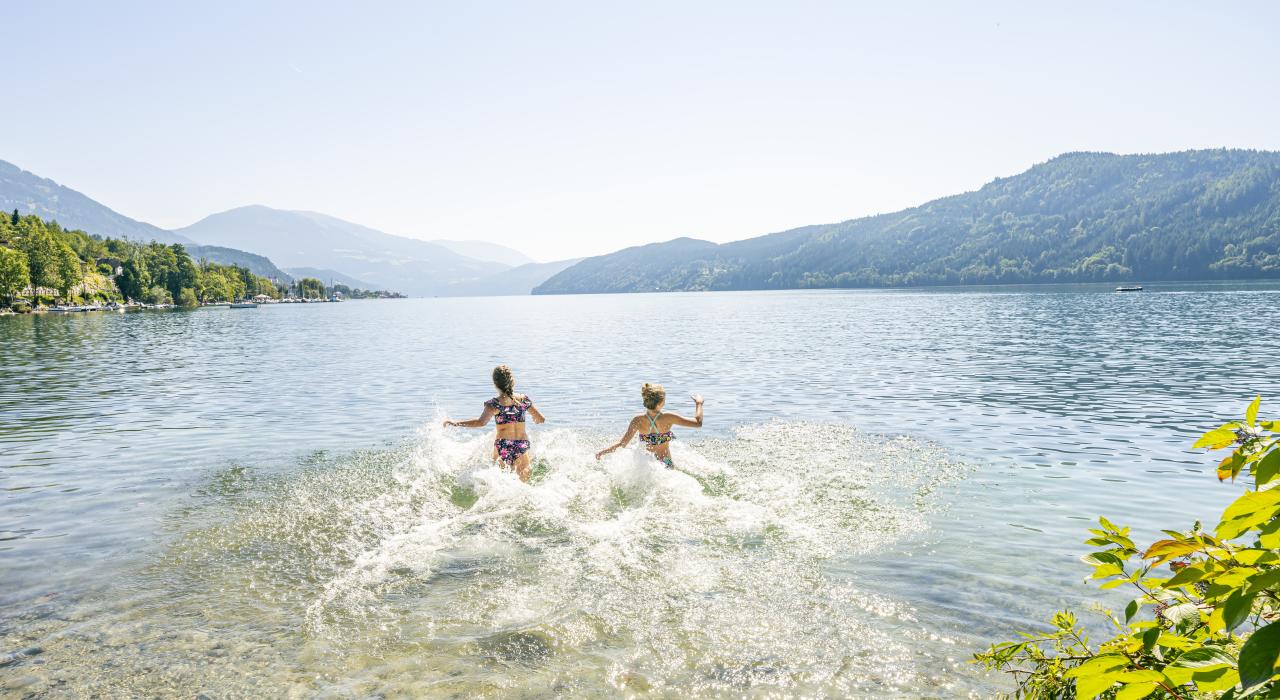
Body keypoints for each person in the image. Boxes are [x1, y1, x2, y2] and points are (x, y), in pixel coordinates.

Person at [444, 364, 545, 482]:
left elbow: (480, 422)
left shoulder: (494, 404)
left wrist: (456, 423)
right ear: (512, 382)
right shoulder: (523, 400)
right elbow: (541, 419)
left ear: (495, 384)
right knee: (522, 482)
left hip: (503, 446)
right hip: (522, 445)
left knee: (502, 483)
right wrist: (535, 419)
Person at [595, 383, 703, 468]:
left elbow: (622, 444)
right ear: (661, 402)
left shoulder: (637, 420)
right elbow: (698, 423)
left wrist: (602, 452)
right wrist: (699, 403)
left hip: (647, 465)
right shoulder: (668, 417)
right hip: (665, 462)